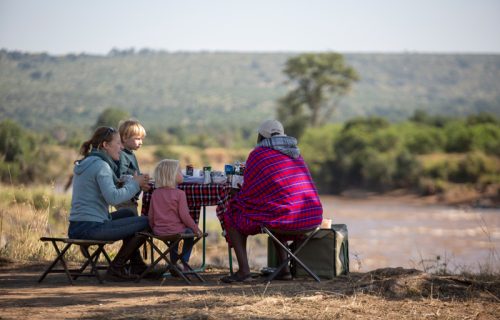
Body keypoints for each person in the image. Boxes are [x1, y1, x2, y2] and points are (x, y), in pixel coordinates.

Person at [221, 119, 323, 283]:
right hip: (311, 217)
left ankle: (244, 272)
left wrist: (235, 194)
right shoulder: (296, 153)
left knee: (232, 215)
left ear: (261, 137)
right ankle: (283, 270)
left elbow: (249, 193)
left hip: (287, 219)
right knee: (277, 209)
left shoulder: (258, 154)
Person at [67, 126, 151, 281]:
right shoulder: (101, 166)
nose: (121, 147)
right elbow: (113, 198)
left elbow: (110, 187)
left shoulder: (90, 162)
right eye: (118, 143)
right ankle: (116, 268)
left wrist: (133, 182)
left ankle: (137, 264)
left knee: (128, 213)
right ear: (105, 145)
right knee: (147, 221)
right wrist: (135, 185)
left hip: (78, 225)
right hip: (92, 227)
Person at [148, 159, 203, 271]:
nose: (182, 174)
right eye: (179, 172)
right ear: (172, 175)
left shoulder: (155, 193)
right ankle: (184, 262)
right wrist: (196, 229)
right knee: (189, 233)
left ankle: (174, 264)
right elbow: (185, 216)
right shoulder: (180, 194)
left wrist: (153, 228)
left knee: (174, 239)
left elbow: (151, 216)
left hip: (158, 231)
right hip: (176, 231)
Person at [115, 119, 149, 215]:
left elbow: (132, 173)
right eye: (137, 139)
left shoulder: (130, 153)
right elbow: (120, 177)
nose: (141, 142)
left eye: (142, 139)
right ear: (125, 138)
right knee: (131, 218)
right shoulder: (122, 155)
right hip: (125, 197)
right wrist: (137, 180)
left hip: (130, 195)